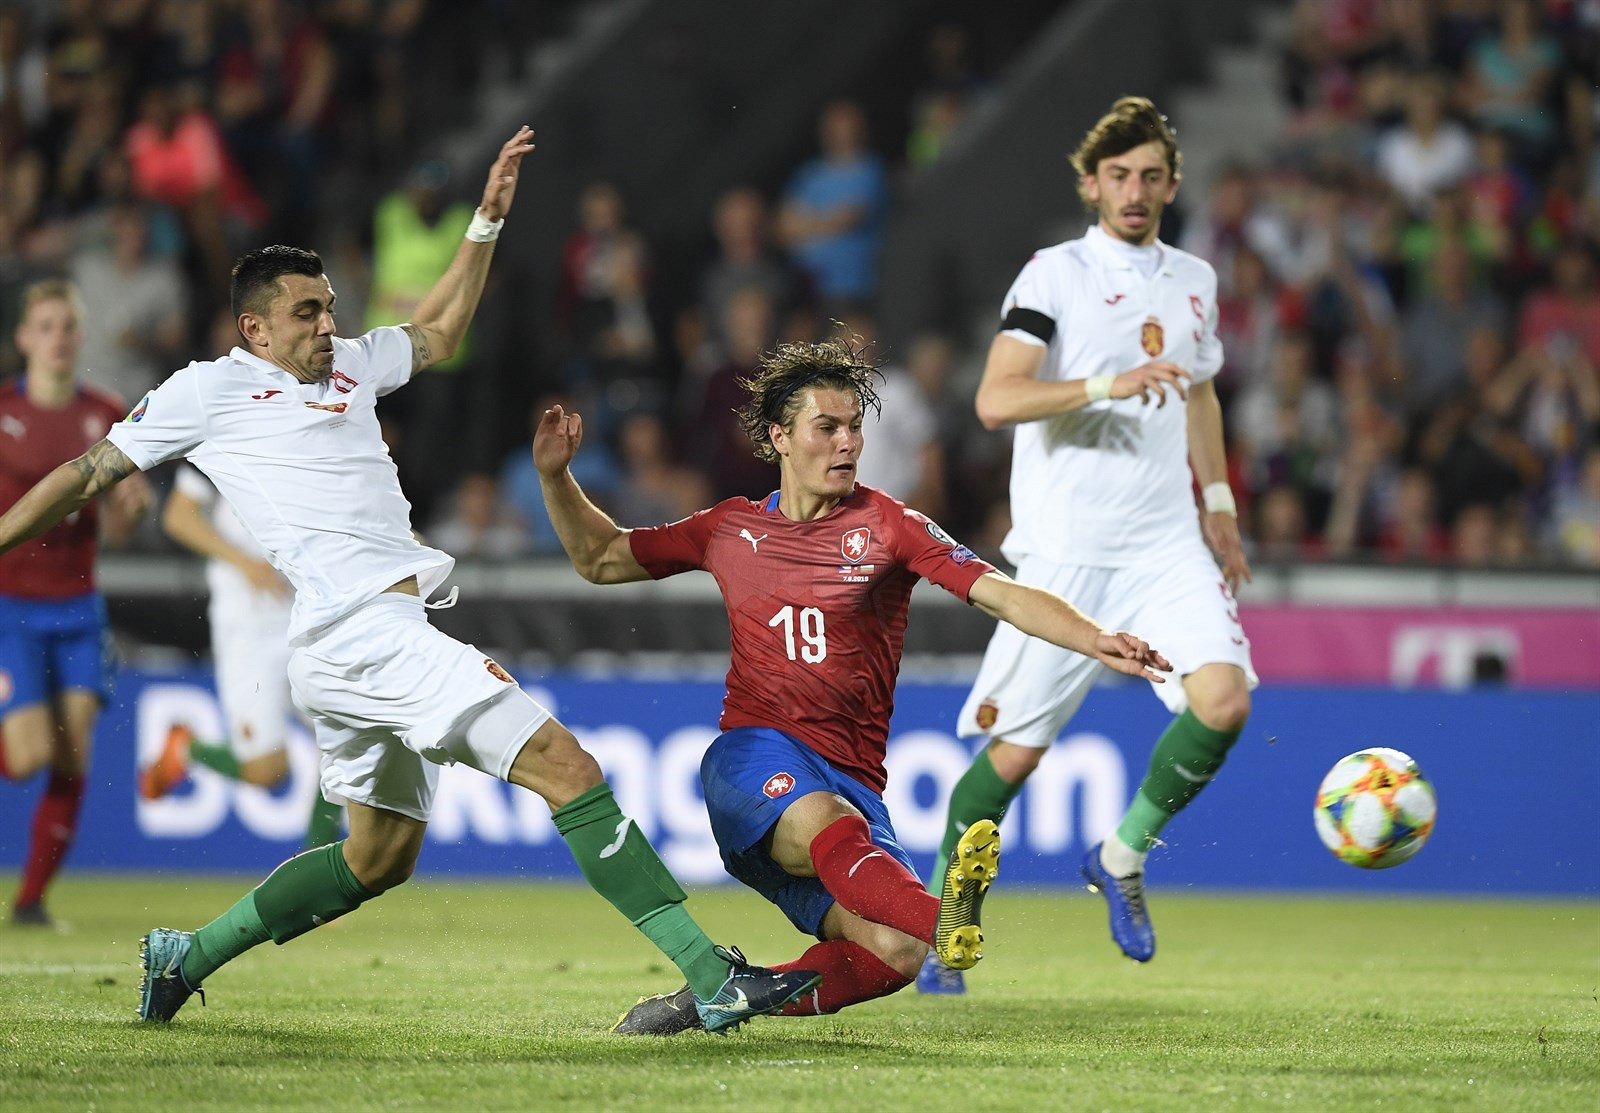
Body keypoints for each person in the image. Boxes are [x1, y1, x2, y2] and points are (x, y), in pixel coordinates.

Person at [0, 128, 819, 1034]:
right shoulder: (206, 391)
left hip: (351, 642)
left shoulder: (349, 364)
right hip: (362, 633)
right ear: (254, 328)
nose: (328, 324)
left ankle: (182, 958)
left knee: (376, 859)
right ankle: (710, 974)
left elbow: (438, 330)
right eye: (307, 312)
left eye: (329, 307)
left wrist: (485, 222)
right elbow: (87, 473)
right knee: (568, 766)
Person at [533, 335, 1171, 1034]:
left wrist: (1095, 637)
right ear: (779, 437)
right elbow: (601, 557)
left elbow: (1001, 592)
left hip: (852, 787)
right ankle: (945, 916)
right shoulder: (729, 529)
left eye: (854, 427)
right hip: (754, 761)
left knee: (895, 952)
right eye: (827, 427)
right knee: (844, 839)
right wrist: (556, 478)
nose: (848, 443)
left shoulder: (889, 526)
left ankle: (726, 995)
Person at [917, 97, 1257, 993]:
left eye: (1150, 176)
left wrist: (1219, 499)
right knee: (1013, 756)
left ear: (1172, 185)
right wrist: (1108, 383)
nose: (1134, 191)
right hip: (1065, 556)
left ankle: (1120, 853)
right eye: (1118, 176)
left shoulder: (1194, 280)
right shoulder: (1053, 275)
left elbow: (1200, 393)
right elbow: (996, 398)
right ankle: (947, 926)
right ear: (1089, 184)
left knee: (1223, 701)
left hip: (1165, 545)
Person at [0, 278, 151, 926]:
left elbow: (120, 527)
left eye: (68, 326)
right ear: (23, 338)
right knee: (28, 757)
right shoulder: (4, 412)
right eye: (47, 326)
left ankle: (31, 901)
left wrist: (130, 510)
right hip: (11, 607)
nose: (58, 338)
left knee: (73, 754)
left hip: (79, 609)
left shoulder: (108, 413)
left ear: (81, 336)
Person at [142, 463, 345, 851]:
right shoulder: (222, 441)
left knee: (344, 748)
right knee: (267, 771)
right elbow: (178, 517)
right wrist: (245, 563)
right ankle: (186, 749)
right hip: (249, 624)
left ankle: (317, 873)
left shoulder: (316, 441)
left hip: (311, 615)